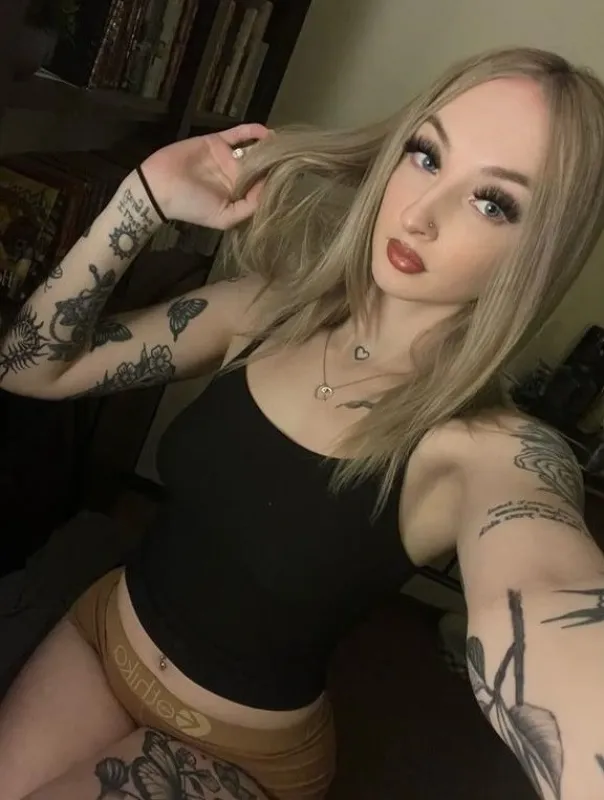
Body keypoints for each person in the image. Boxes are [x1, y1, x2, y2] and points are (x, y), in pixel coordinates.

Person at [1, 44, 604, 800]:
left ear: (538, 251)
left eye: (492, 202)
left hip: (236, 753)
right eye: (426, 156)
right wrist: (142, 197)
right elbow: (30, 368)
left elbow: (550, 597)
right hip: (101, 636)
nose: (419, 214)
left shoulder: (489, 449)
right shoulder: (265, 312)